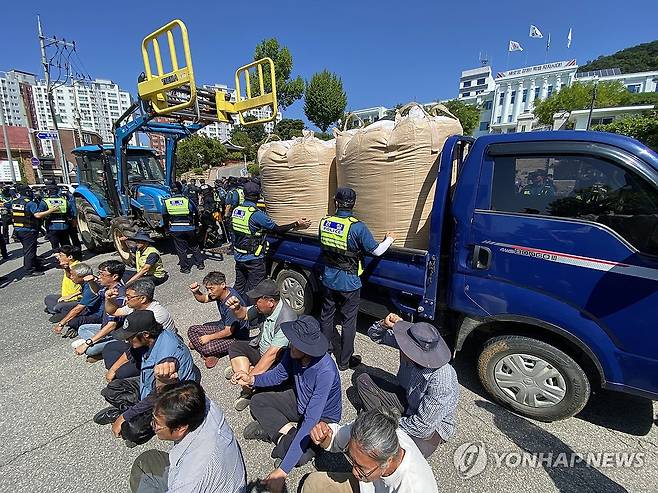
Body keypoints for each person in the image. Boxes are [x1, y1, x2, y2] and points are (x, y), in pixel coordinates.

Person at [234, 316, 342, 493]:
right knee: (258, 401)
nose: (291, 344)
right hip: (300, 400)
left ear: (307, 348)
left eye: (296, 342)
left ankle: (288, 440)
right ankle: (287, 437)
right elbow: (277, 375)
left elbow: (311, 419)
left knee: (294, 454)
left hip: (322, 417)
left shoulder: (325, 371)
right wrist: (252, 378)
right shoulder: (293, 353)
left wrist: (282, 472)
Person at [355, 313, 459, 457]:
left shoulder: (441, 380)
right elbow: (374, 335)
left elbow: (423, 428)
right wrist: (384, 325)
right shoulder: (410, 342)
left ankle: (378, 424)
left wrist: (388, 423)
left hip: (431, 429)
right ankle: (379, 424)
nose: (402, 349)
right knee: (363, 381)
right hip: (408, 400)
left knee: (395, 455)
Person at [94, 310, 200, 446]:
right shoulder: (152, 338)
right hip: (149, 384)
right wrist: (113, 369)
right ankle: (131, 412)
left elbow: (158, 396)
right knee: (111, 390)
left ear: (145, 334)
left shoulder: (166, 362)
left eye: (131, 337)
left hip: (167, 396)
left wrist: (123, 417)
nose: (128, 340)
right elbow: (131, 352)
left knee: (133, 431)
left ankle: (128, 416)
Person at [319, 187, 394, 370]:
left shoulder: (324, 222)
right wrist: (389, 239)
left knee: (326, 316)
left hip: (328, 278)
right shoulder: (357, 227)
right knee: (348, 322)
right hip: (349, 282)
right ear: (353, 204)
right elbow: (376, 251)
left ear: (336, 202)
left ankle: (324, 351)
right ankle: (344, 362)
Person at [129, 381, 247, 493]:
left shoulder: (190, 479)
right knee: (150, 458)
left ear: (180, 428)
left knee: (143, 465)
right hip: (228, 480)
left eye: (157, 424)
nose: (152, 425)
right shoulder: (204, 405)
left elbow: (189, 481)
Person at [303, 408, 439, 493]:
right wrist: (325, 437)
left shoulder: (413, 487)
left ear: (388, 461)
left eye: (361, 468)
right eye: (352, 460)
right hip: (365, 487)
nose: (353, 471)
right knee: (312, 483)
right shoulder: (366, 433)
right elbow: (336, 438)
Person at [230, 181, 310, 301]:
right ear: (258, 196)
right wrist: (296, 223)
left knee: (239, 286)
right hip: (253, 259)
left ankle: (234, 310)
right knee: (254, 290)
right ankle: (250, 316)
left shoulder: (237, 210)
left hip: (239, 256)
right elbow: (278, 229)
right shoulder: (256, 215)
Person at [225, 279, 297, 411]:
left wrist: (250, 378)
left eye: (257, 300)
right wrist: (236, 308)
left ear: (270, 302)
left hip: (276, 361)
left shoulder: (287, 320)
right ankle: (244, 372)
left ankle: (248, 387)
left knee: (267, 380)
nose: (254, 303)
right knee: (235, 346)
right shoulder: (263, 307)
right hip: (260, 349)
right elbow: (244, 314)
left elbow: (271, 355)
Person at [102, 278, 177, 380]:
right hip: (140, 342)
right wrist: (109, 299)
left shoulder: (156, 315)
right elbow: (113, 311)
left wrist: (114, 369)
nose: (125, 300)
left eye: (129, 297)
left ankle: (142, 375)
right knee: (109, 347)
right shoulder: (135, 306)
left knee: (120, 372)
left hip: (154, 349)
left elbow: (141, 344)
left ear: (142, 299)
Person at [187, 271, 249, 369]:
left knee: (208, 347)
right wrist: (195, 291)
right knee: (192, 330)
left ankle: (211, 352)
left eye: (211, 289)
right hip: (223, 326)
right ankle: (212, 351)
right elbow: (203, 299)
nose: (209, 292)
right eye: (208, 289)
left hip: (236, 337)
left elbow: (229, 332)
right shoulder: (220, 293)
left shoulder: (231, 302)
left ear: (222, 285)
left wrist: (209, 337)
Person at [72, 260, 127, 359]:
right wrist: (91, 281)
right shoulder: (108, 288)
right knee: (82, 328)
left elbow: (112, 325)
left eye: (102, 274)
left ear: (114, 276)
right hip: (105, 328)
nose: (99, 277)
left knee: (90, 350)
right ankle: (100, 342)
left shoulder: (119, 295)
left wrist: (88, 343)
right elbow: (97, 291)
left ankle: (105, 349)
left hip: (116, 334)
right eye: (99, 273)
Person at [8, 184, 59, 277]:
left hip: (19, 230)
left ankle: (36, 266)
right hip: (28, 230)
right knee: (29, 251)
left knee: (30, 249)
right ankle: (29, 270)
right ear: (27, 192)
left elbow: (7, 206)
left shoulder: (15, 202)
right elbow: (38, 215)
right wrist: (51, 210)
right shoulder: (30, 203)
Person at [163, 181, 205, 273]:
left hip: (175, 228)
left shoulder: (167, 202)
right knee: (194, 246)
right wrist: (197, 225)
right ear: (181, 189)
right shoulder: (187, 200)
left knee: (181, 249)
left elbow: (165, 217)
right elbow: (196, 213)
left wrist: (166, 229)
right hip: (189, 227)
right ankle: (200, 264)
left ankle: (185, 268)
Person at [52, 262, 103, 338]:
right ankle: (67, 318)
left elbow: (78, 309)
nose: (71, 277)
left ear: (82, 277)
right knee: (62, 307)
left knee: (72, 321)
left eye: (73, 275)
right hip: (88, 308)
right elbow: (80, 289)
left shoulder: (91, 287)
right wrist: (66, 268)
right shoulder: (86, 281)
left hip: (97, 315)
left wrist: (61, 324)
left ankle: (77, 327)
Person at [43, 245, 83, 318]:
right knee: (48, 298)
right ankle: (62, 312)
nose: (59, 257)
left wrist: (69, 296)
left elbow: (86, 288)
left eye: (61, 255)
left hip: (76, 299)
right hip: (65, 298)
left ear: (70, 257)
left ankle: (63, 313)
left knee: (58, 307)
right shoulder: (68, 265)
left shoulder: (79, 268)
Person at [40, 183, 73, 249]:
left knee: (55, 247)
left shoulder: (45, 202)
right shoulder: (64, 201)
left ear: (48, 191)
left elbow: (39, 214)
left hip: (52, 227)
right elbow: (71, 213)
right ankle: (68, 257)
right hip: (64, 226)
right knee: (66, 246)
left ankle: (58, 258)